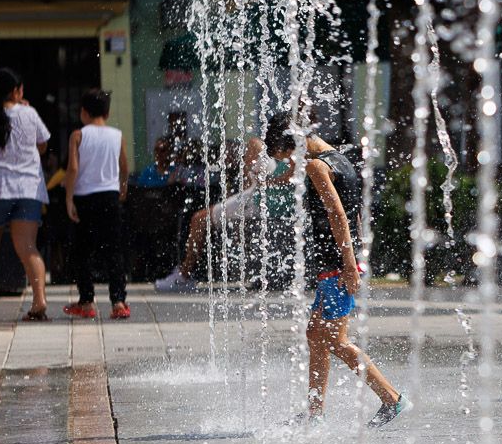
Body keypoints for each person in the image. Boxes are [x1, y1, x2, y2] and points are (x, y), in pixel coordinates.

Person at [289, 116, 409, 426]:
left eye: (287, 154)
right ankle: (315, 412)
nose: (291, 162)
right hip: (338, 265)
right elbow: (354, 215)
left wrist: (349, 265)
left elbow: (338, 216)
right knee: (315, 334)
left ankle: (392, 398)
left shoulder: (317, 167)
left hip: (337, 268)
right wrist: (356, 258)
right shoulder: (341, 160)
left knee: (336, 340)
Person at [156, 113, 296, 293]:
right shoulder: (296, 145)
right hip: (264, 197)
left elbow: (291, 175)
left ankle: (183, 275)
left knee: (199, 219)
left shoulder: (292, 147)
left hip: (263, 200)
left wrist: (266, 183)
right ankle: (185, 273)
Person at [0, 68, 51, 322]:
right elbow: (42, 145)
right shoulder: (29, 113)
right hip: (28, 189)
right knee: (28, 247)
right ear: (16, 91)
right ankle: (39, 301)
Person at [63, 89, 130, 320]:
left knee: (81, 251)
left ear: (83, 112)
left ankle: (86, 301)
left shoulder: (78, 136)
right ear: (107, 113)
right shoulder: (117, 135)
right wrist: (122, 187)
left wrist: (69, 198)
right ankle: (118, 301)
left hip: (85, 198)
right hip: (109, 196)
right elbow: (124, 167)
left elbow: (73, 168)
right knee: (114, 250)